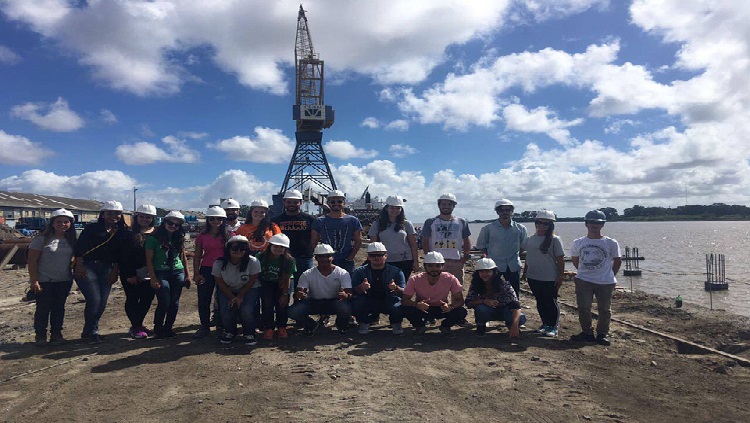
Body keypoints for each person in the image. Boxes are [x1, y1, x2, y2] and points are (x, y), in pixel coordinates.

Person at [74, 200, 129, 343]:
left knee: (102, 302)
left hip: (107, 268)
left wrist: (115, 270)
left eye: (117, 213)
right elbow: (79, 247)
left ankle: (88, 330)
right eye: (109, 213)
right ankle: (93, 332)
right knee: (94, 299)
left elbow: (120, 253)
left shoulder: (121, 231)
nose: (113, 216)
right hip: (87, 266)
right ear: (103, 214)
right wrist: (79, 264)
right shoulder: (92, 228)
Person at [570, 210, 622, 346]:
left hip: (605, 282)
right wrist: (585, 272)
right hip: (583, 280)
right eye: (591, 222)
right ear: (586, 224)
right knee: (583, 307)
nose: (594, 225)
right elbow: (576, 260)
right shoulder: (578, 242)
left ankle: (602, 334)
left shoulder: (611, 242)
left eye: (598, 223)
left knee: (605, 309)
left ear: (602, 225)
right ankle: (587, 332)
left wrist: (611, 275)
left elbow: (617, 261)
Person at [28, 208, 77, 346]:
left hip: (64, 280)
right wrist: (34, 280)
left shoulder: (71, 240)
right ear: (52, 223)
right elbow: (32, 261)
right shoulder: (41, 240)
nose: (62, 224)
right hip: (44, 281)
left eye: (66, 222)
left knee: (59, 308)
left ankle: (56, 334)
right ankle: (40, 336)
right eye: (59, 221)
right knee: (43, 309)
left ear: (70, 224)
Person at [288, 243, 353, 336]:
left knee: (346, 307)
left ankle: (341, 325)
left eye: (328, 256)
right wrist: (299, 294)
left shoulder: (342, 273)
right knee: (293, 311)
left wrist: (345, 295)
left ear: (332, 257)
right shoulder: (307, 274)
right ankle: (311, 324)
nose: (325, 259)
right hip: (314, 302)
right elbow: (299, 292)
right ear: (316, 258)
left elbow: (350, 293)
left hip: (334, 302)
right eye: (321, 257)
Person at [146, 211, 191, 339]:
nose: (173, 226)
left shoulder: (179, 238)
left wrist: (187, 275)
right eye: (170, 223)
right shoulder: (153, 238)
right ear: (164, 222)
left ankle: (168, 328)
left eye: (176, 225)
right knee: (164, 300)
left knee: (175, 302)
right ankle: (158, 328)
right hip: (161, 271)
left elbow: (183, 257)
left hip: (177, 271)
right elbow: (149, 260)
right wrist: (153, 278)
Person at [401, 252, 467, 337]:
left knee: (461, 312)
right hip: (423, 308)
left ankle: (445, 326)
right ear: (425, 267)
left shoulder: (450, 278)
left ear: (442, 266)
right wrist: (416, 304)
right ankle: (420, 326)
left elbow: (460, 300)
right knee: (405, 309)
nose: (434, 269)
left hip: (442, 308)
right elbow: (405, 300)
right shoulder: (415, 280)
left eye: (437, 266)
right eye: (430, 266)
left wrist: (451, 306)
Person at [521, 209, 565, 337]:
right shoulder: (530, 239)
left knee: (550, 301)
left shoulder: (555, 240)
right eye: (539, 222)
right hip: (533, 276)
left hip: (550, 277)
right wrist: (525, 273)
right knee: (540, 301)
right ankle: (545, 324)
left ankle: (553, 326)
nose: (541, 225)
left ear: (550, 225)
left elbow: (560, 259)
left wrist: (561, 275)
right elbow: (529, 258)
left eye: (545, 223)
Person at [213, 235, 262, 346]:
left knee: (246, 309)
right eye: (234, 248)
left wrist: (240, 296)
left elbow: (252, 281)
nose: (238, 251)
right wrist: (231, 297)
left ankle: (249, 332)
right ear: (228, 249)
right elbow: (219, 282)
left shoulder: (253, 262)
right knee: (226, 309)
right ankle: (229, 331)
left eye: (242, 249)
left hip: (249, 288)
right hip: (227, 289)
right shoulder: (219, 263)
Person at [119, 204, 158, 339]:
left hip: (150, 273)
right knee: (133, 299)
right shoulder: (128, 234)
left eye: (148, 217)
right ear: (136, 217)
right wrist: (130, 274)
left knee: (147, 299)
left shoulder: (157, 233)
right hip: (131, 273)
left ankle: (138, 325)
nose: (144, 219)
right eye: (142, 216)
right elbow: (124, 256)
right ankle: (136, 327)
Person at [350, 242, 405, 335]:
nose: (376, 257)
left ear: (385, 256)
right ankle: (364, 322)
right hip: (368, 299)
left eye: (379, 255)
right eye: (373, 255)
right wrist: (361, 288)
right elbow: (352, 291)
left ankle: (396, 322)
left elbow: (404, 292)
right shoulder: (359, 272)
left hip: (388, 299)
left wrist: (396, 288)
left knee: (398, 305)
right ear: (368, 257)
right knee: (357, 302)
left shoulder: (396, 271)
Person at [476, 198, 527, 297]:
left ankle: (513, 311)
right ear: (497, 212)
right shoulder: (488, 228)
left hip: (513, 265)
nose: (505, 212)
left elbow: (523, 246)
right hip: (494, 266)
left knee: (514, 292)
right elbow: (482, 246)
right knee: (492, 291)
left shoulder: (520, 228)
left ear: (512, 211)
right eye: (501, 210)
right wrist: (487, 258)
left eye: (507, 210)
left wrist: (514, 255)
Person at [466, 258, 526, 339]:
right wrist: (483, 301)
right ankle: (481, 326)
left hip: (504, 311)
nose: (484, 274)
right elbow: (468, 303)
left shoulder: (504, 285)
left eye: (487, 271)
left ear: (494, 272)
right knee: (481, 308)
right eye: (481, 271)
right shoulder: (475, 285)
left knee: (521, 318)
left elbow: (516, 305)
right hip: (487, 312)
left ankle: (510, 326)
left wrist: (515, 325)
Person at [192, 206, 228, 338]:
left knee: (223, 298)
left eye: (219, 218)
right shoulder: (202, 236)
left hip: (224, 270)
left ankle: (223, 325)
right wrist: (196, 273)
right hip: (206, 269)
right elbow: (197, 255)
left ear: (223, 220)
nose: (215, 221)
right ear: (208, 220)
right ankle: (204, 326)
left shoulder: (229, 235)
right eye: (212, 218)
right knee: (204, 299)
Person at [270, 189, 316, 291]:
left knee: (303, 289)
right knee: (283, 289)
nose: (292, 204)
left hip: (304, 258)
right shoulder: (275, 221)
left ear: (301, 203)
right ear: (284, 202)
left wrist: (311, 252)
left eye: (295, 202)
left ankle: (299, 307)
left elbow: (315, 238)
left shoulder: (310, 219)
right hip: (282, 258)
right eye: (289, 202)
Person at [421, 193, 471, 282]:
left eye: (449, 204)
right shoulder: (430, 222)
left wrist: (464, 258)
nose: (446, 207)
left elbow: (466, 240)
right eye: (443, 204)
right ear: (439, 205)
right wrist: (428, 257)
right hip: (436, 262)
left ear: (453, 206)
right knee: (436, 289)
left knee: (457, 290)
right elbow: (425, 241)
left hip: (456, 261)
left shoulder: (461, 221)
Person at [368, 195, 419, 280]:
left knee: (401, 286)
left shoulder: (407, 224)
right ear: (386, 208)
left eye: (397, 208)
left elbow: (413, 244)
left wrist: (416, 262)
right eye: (392, 208)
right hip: (385, 261)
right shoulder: (377, 224)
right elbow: (373, 245)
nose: (394, 210)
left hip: (405, 261)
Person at [311, 190, 363, 273]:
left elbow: (359, 240)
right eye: (332, 201)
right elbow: (313, 242)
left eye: (339, 201)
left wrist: (350, 257)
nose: (336, 203)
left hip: (346, 261)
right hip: (327, 260)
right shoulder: (319, 221)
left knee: (347, 285)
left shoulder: (353, 220)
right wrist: (321, 257)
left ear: (344, 203)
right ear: (328, 203)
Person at [256, 234, 296, 340]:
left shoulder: (289, 260)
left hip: (283, 282)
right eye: (276, 246)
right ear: (270, 246)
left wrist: (284, 294)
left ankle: (282, 327)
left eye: (281, 247)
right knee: (267, 304)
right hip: (266, 282)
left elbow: (287, 277)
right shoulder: (261, 256)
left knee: (282, 304)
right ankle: (269, 328)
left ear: (285, 249)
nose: (278, 249)